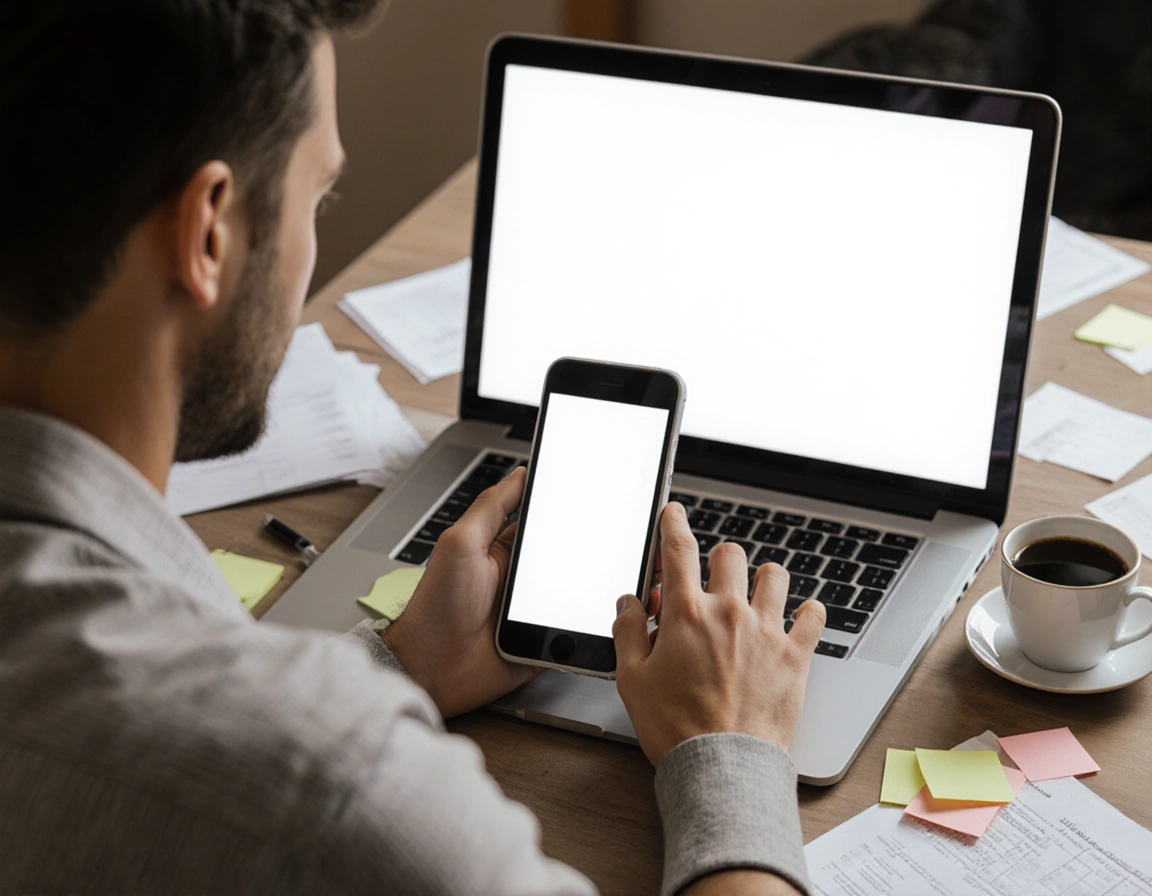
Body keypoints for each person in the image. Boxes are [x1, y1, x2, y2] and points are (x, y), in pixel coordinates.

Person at [0, 2, 828, 893]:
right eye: (320, 196)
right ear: (209, 233)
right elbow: (263, 773)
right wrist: (731, 748)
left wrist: (405, 664)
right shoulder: (335, 785)